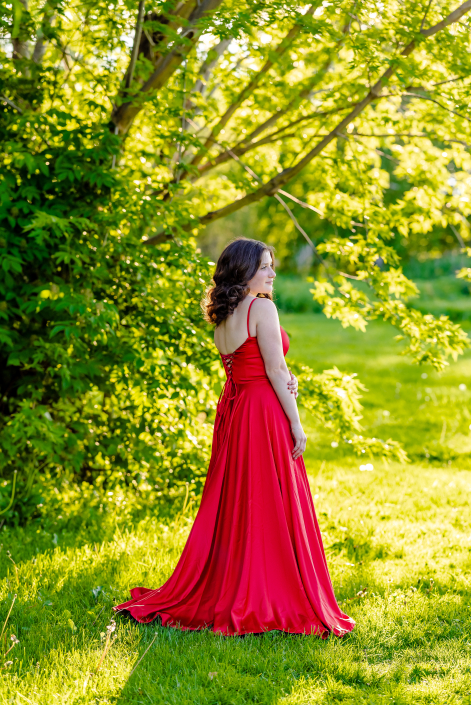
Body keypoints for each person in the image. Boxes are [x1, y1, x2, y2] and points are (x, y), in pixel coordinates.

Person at [114, 238, 355, 637]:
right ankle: (271, 591)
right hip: (262, 413)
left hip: (236, 409)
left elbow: (251, 367)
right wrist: (296, 423)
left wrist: (283, 376)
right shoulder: (262, 306)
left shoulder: (224, 314)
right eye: (265, 267)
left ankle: (239, 582)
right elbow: (274, 372)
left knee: (241, 501)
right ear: (244, 271)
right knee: (268, 500)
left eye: (273, 265)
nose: (272, 273)